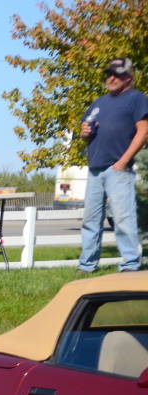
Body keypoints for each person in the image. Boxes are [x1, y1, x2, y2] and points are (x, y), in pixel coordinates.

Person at [78, 57, 148, 273]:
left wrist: (123, 161)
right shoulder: (99, 103)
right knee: (90, 220)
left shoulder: (136, 98)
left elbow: (143, 131)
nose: (110, 78)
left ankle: (130, 264)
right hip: (95, 168)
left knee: (123, 219)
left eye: (116, 74)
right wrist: (83, 133)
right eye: (108, 73)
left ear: (128, 77)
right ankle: (87, 265)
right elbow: (84, 133)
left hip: (118, 168)